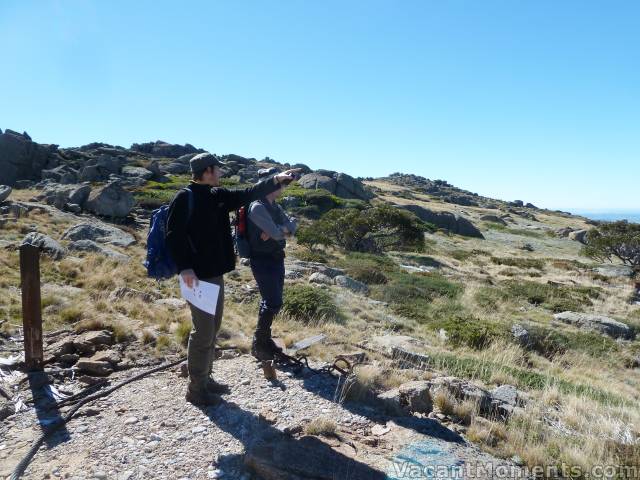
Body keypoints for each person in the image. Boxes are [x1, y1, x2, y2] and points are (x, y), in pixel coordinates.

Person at [166, 153, 299, 405]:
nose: (221, 173)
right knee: (203, 331)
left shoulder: (216, 196)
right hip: (195, 276)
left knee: (213, 328)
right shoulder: (186, 197)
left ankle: (207, 379)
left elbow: (248, 193)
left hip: (214, 273)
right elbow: (173, 235)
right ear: (207, 171)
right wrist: (185, 268)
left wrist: (277, 180)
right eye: (218, 169)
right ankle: (196, 390)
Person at [247, 168, 298, 361]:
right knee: (273, 301)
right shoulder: (257, 207)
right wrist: (280, 231)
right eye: (281, 183)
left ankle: (263, 341)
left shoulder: (274, 206)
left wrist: (280, 230)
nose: (283, 187)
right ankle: (260, 343)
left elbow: (291, 228)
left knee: (272, 301)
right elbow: (281, 232)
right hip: (262, 260)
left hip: (276, 257)